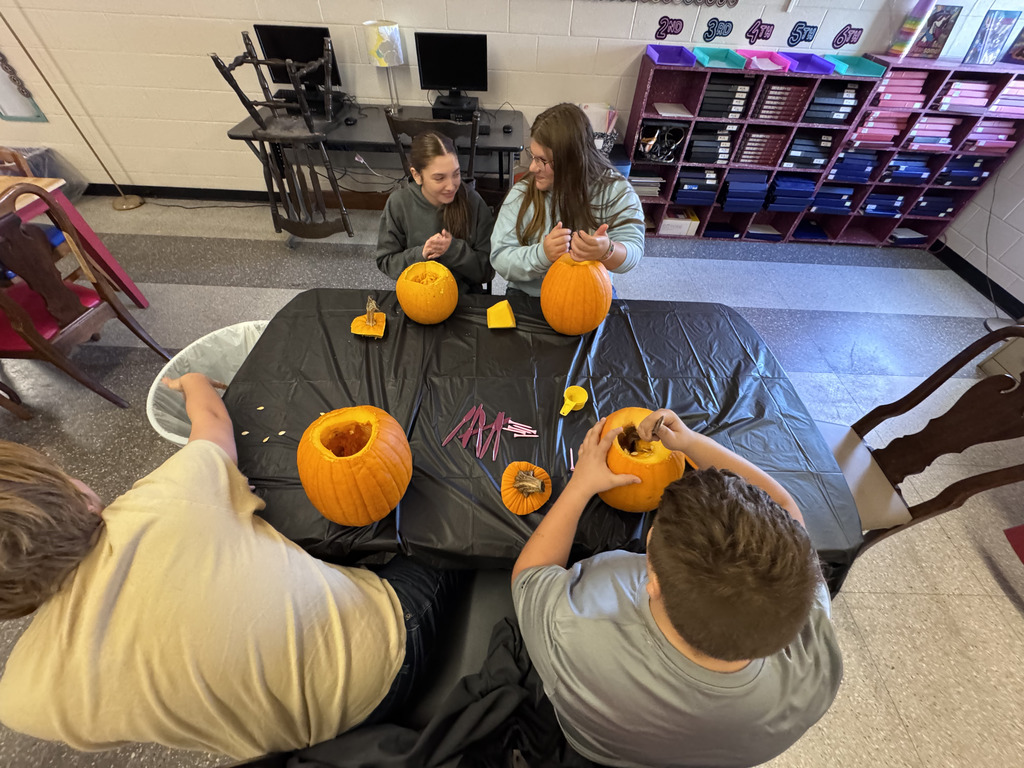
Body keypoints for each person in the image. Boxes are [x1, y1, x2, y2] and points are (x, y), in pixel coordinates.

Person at [0, 373, 460, 760]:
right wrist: (193, 383)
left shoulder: (22, 697)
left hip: (295, 746)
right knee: (441, 528)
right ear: (81, 499)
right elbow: (212, 422)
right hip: (388, 661)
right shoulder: (163, 499)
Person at [511, 409, 843, 768]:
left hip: (594, 750)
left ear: (651, 581)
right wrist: (690, 443)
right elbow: (786, 510)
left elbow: (529, 574)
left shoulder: (573, 630)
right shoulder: (818, 667)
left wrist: (580, 486)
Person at [491, 103, 644, 296]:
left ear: (572, 161)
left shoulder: (615, 190)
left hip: (590, 292)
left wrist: (607, 250)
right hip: (530, 294)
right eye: (533, 156)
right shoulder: (522, 194)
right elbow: (500, 258)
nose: (532, 168)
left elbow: (634, 250)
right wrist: (541, 254)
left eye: (542, 160)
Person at [376, 131, 495, 293]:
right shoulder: (399, 203)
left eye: (456, 174)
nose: (451, 186)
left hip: (464, 296)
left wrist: (453, 250)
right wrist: (421, 254)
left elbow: (487, 271)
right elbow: (386, 261)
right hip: (417, 294)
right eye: (439, 178)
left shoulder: (473, 202)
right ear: (417, 175)